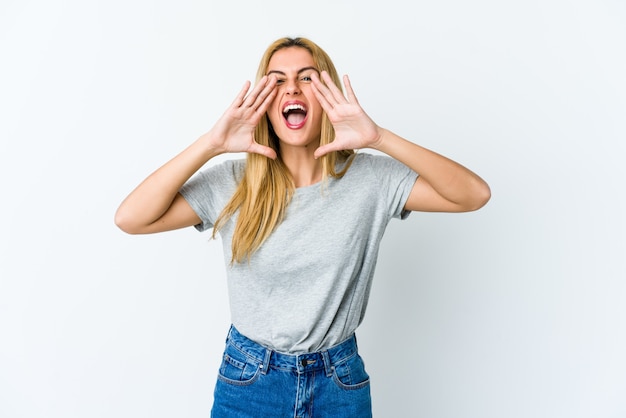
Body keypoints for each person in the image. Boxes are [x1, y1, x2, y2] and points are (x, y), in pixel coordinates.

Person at [115, 36, 490, 418]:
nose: (292, 87)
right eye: (277, 80)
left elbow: (473, 195)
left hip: (339, 382)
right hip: (249, 380)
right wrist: (212, 144)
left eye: (306, 78)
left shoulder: (370, 179)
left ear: (328, 95)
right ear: (263, 101)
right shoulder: (233, 181)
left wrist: (379, 138)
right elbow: (131, 218)